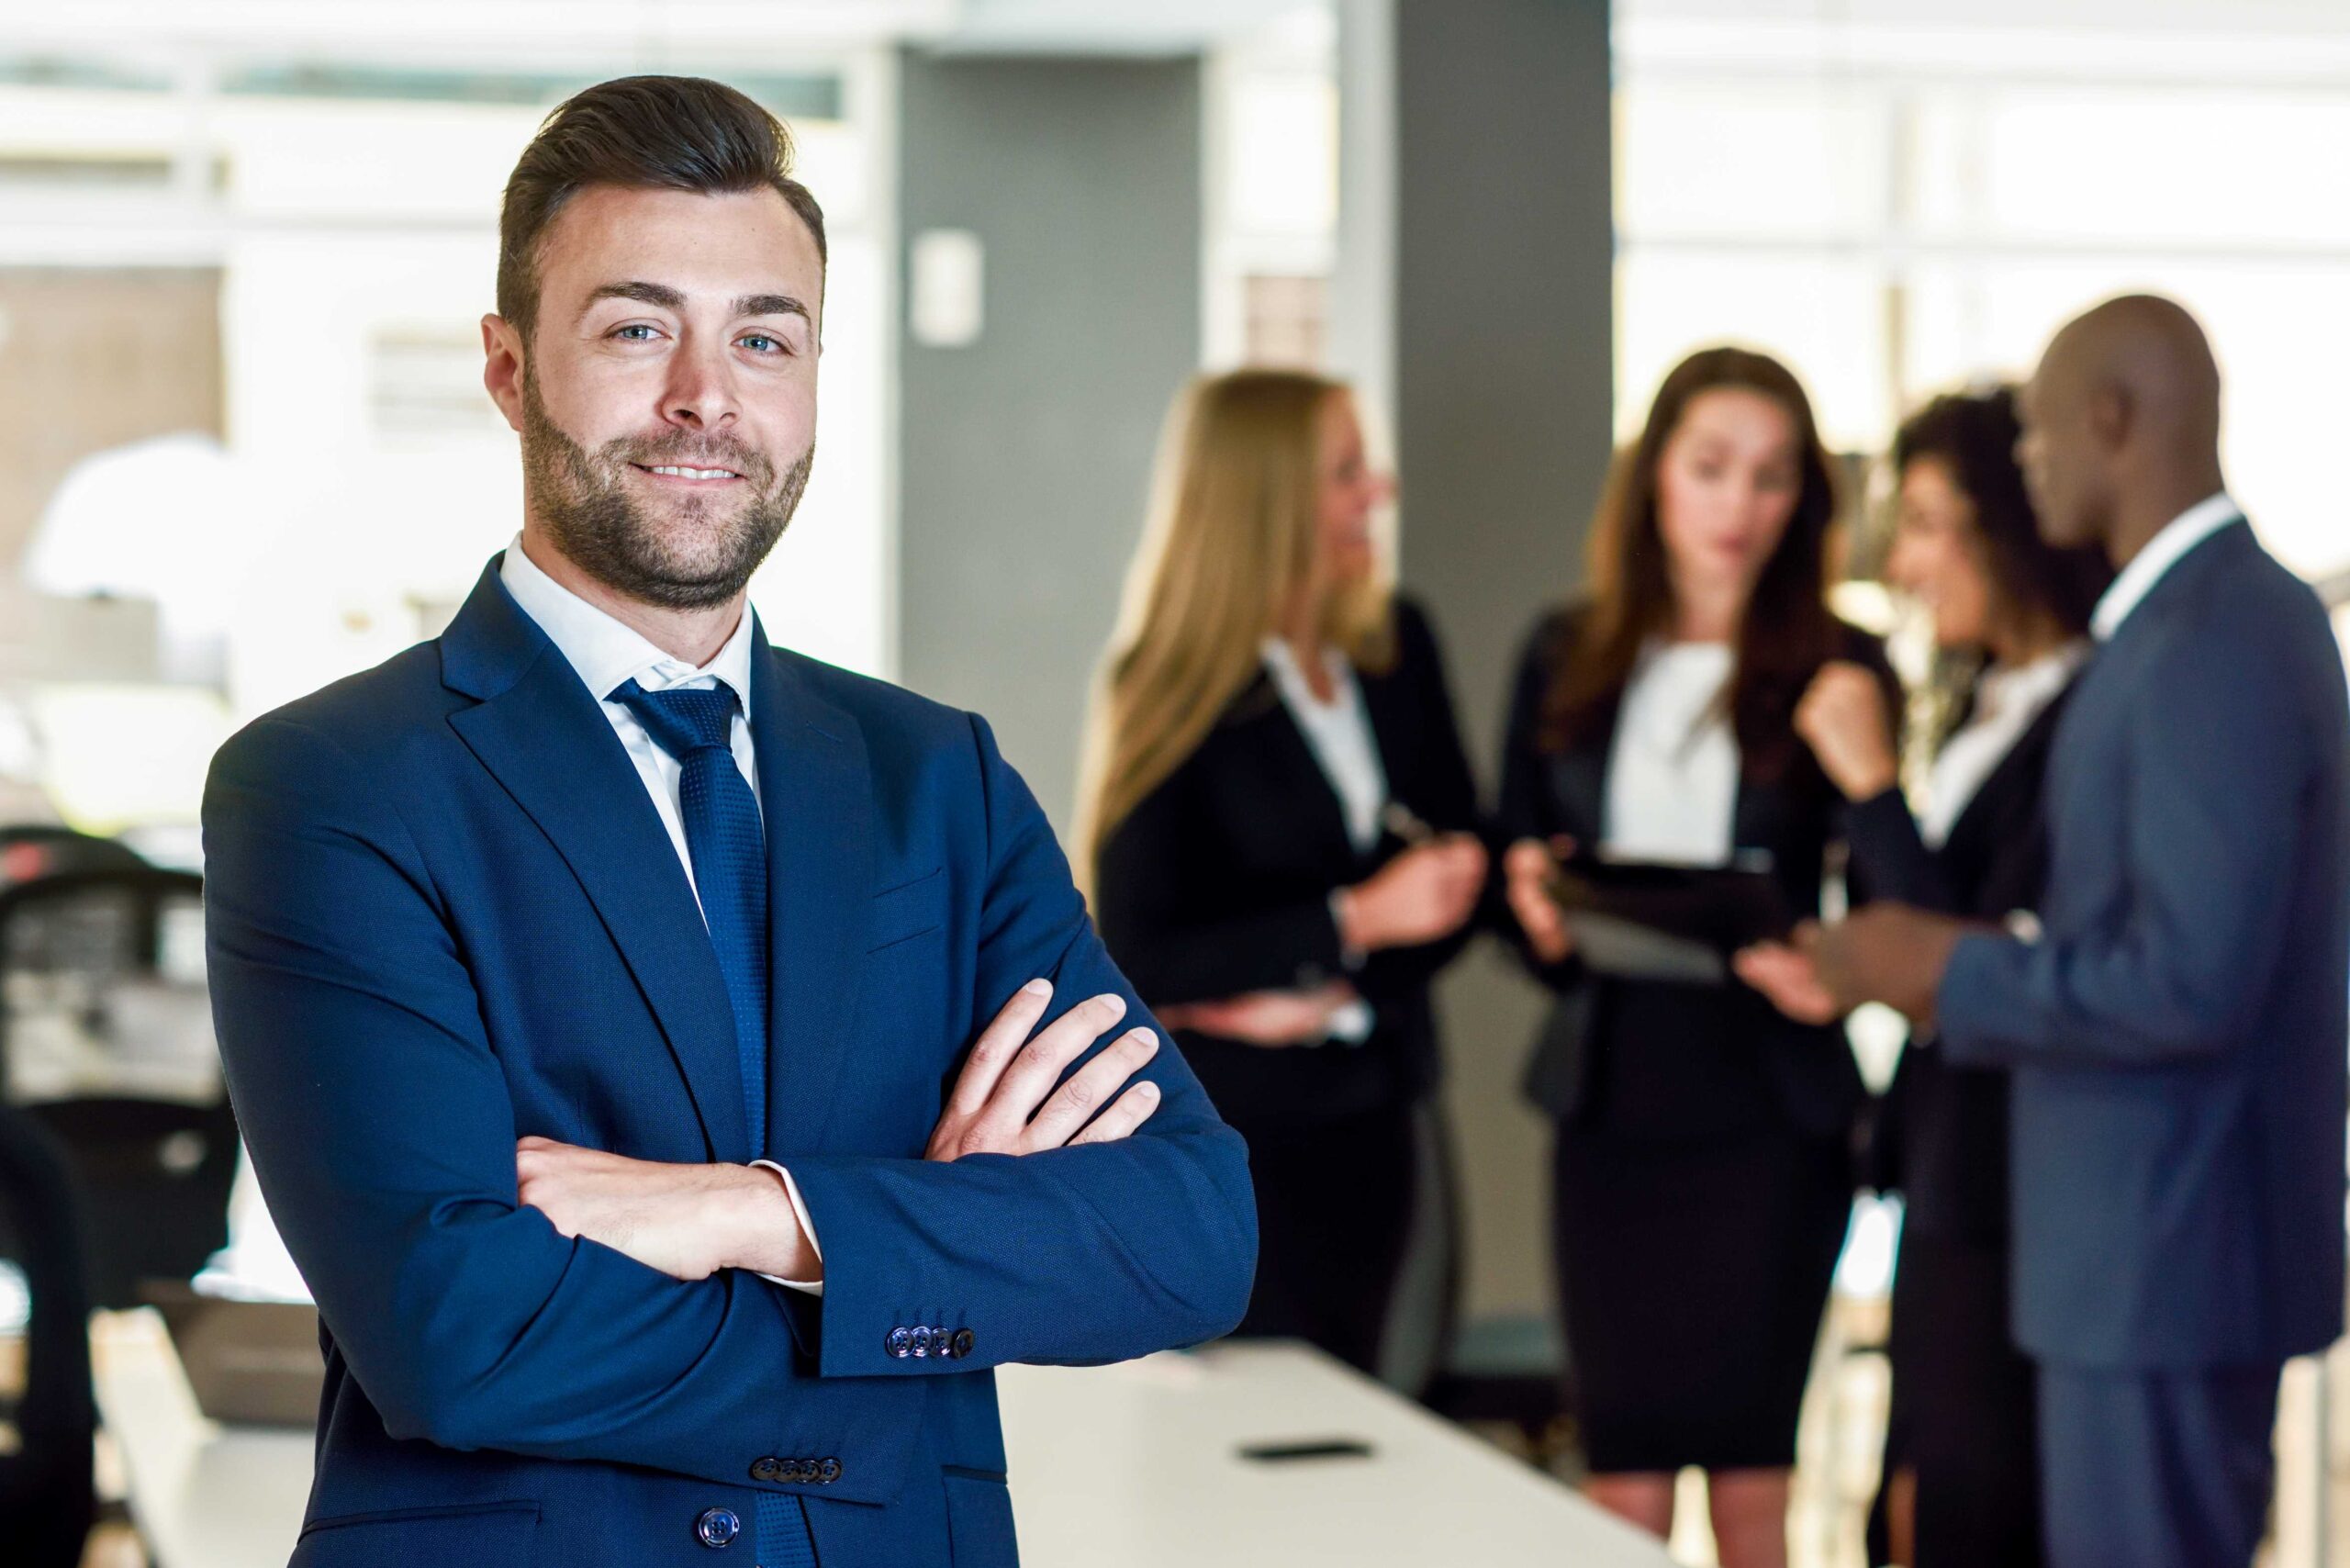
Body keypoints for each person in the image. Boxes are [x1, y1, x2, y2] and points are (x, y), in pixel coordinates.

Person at [202, 77, 1256, 1568]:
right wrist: (920, 1282)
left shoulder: (933, 778)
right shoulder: (331, 785)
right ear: (509, 367)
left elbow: (1189, 1229)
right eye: (638, 328)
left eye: (765, 336)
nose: (709, 396)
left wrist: (758, 1212)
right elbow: (458, 1330)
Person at [1788, 295, 2350, 1568]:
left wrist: (1938, 966)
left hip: (2169, 1252)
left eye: (2038, 438)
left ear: (2113, 421)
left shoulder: (2215, 637)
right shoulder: (2176, 628)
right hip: (2132, 1250)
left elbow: (2188, 983)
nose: (2029, 464)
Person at [1494, 346, 1890, 1567]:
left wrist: (1830, 962)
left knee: (1759, 1486)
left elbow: (1891, 906)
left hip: (1769, 1111)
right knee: (1622, 1479)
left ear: (1806, 501)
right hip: (1614, 1105)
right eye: (1711, 468)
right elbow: (1514, 870)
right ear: (1655, 477)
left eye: (1772, 478)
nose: (1738, 506)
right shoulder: (1565, 655)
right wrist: (1535, 912)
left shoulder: (1841, 665)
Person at [1740, 386, 2109, 1566]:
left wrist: (1867, 785)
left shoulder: (2090, 714)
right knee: (1908, 1500)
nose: (1898, 562)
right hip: (1943, 1163)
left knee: (1960, 1504)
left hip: (2017, 1177)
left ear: (2011, 525)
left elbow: (1966, 951)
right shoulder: (1982, 698)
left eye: (1928, 525)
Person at [1082, 369, 1484, 1381]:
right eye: (1347, 472)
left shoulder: (1397, 650)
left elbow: (1452, 873)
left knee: (1385, 1414)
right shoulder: (1169, 685)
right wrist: (1346, 921)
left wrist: (1345, 967)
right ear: (1268, 498)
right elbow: (1136, 948)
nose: (1377, 495)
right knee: (1257, 1431)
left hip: (1385, 1109)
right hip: (1235, 1135)